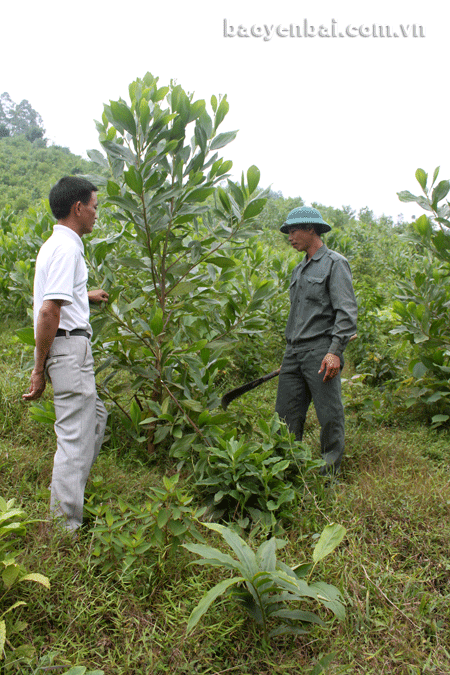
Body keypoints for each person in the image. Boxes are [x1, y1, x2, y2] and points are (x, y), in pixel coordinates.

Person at [23, 176, 109, 531]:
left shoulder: (57, 244)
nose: (95, 214)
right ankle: (64, 528)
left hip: (69, 344)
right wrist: (39, 368)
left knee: (96, 419)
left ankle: (70, 490)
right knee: (75, 436)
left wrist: (84, 296)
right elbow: (48, 311)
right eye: (93, 207)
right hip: (68, 347)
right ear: (78, 208)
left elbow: (57, 295)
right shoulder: (67, 248)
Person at [275, 206, 357, 475]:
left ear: (312, 229)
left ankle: (327, 478)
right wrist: (291, 351)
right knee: (285, 417)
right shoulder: (298, 271)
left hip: (321, 352)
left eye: (294, 230)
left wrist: (335, 351)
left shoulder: (335, 263)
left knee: (329, 416)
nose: (290, 236)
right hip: (294, 353)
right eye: (288, 231)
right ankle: (285, 472)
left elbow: (346, 312)